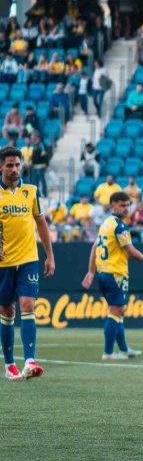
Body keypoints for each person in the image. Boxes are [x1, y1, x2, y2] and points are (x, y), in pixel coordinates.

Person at [0, 147, 56, 380]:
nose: (14, 169)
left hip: (28, 259)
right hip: (4, 264)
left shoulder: (31, 191)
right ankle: (10, 364)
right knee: (7, 309)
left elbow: (41, 223)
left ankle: (30, 361)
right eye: (10, 165)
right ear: (1, 166)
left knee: (27, 304)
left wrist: (50, 255)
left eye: (18, 165)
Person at [81, 192, 143, 361]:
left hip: (104, 273)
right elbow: (130, 251)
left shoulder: (106, 224)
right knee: (115, 311)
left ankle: (123, 349)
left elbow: (94, 246)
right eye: (122, 205)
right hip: (114, 273)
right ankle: (108, 352)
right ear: (112, 206)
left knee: (119, 311)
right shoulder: (119, 226)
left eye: (128, 205)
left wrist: (91, 271)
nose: (126, 208)